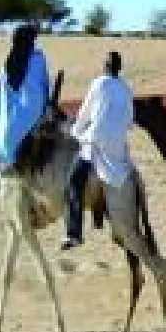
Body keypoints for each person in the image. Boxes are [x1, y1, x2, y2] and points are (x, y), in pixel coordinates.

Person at [60, 51, 135, 250]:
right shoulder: (126, 88)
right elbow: (129, 122)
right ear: (119, 67)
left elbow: (85, 111)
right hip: (118, 147)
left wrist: (76, 130)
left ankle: (74, 233)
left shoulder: (99, 83)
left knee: (73, 183)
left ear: (106, 66)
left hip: (95, 143)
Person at [0, 24, 50, 171]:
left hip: (29, 103)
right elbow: (0, 87)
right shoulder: (18, 57)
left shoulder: (34, 58)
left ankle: (1, 158)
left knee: (7, 127)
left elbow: (35, 87)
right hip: (14, 101)